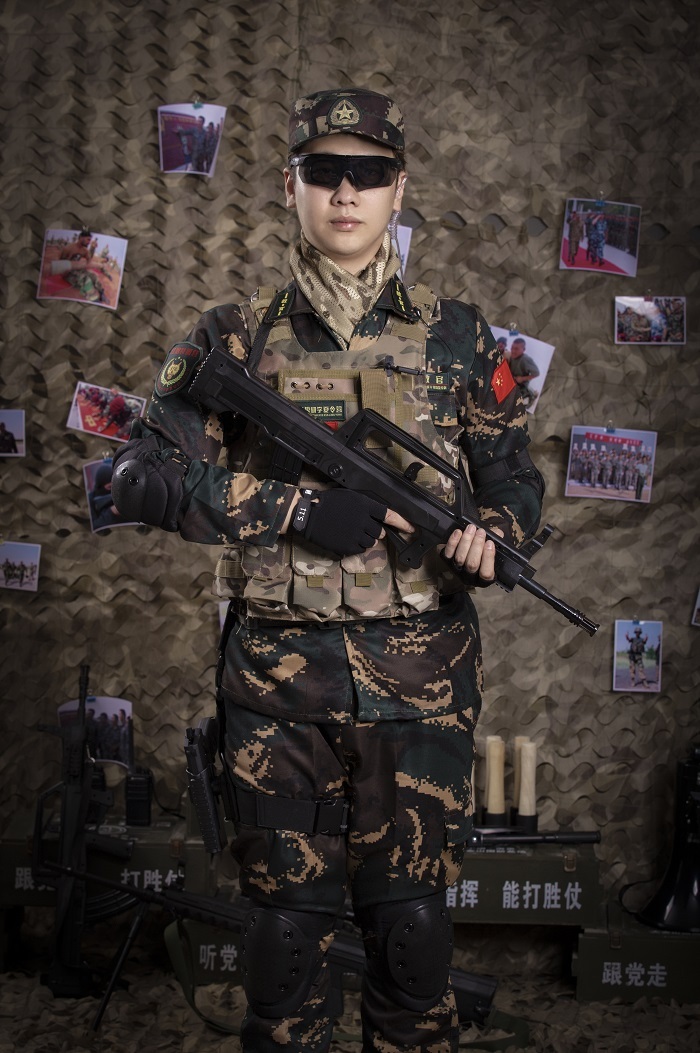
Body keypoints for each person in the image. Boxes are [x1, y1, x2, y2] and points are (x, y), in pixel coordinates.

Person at [111, 87, 544, 1052]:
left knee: (413, 935)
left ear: (400, 190)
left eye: (369, 173)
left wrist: (494, 535)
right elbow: (140, 477)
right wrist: (295, 509)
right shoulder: (234, 336)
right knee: (285, 938)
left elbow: (515, 479)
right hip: (278, 688)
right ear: (290, 184)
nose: (346, 193)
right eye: (325, 171)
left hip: (423, 685)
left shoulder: (459, 335)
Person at [508, 337, 540, 407]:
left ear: (523, 350)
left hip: (521, 385)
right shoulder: (512, 356)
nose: (513, 351)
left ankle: (532, 395)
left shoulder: (525, 359)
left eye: (516, 349)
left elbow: (536, 373)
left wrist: (522, 379)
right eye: (512, 348)